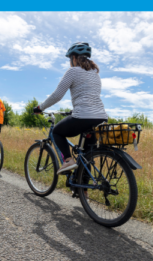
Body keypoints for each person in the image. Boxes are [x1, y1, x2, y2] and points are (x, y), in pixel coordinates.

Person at [33, 42, 108, 175]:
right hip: (101, 118)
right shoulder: (95, 75)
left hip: (83, 117)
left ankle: (68, 160)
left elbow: (57, 95)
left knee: (56, 132)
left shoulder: (73, 71)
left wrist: (41, 107)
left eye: (70, 59)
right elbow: (90, 97)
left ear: (74, 58)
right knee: (86, 155)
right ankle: (83, 191)